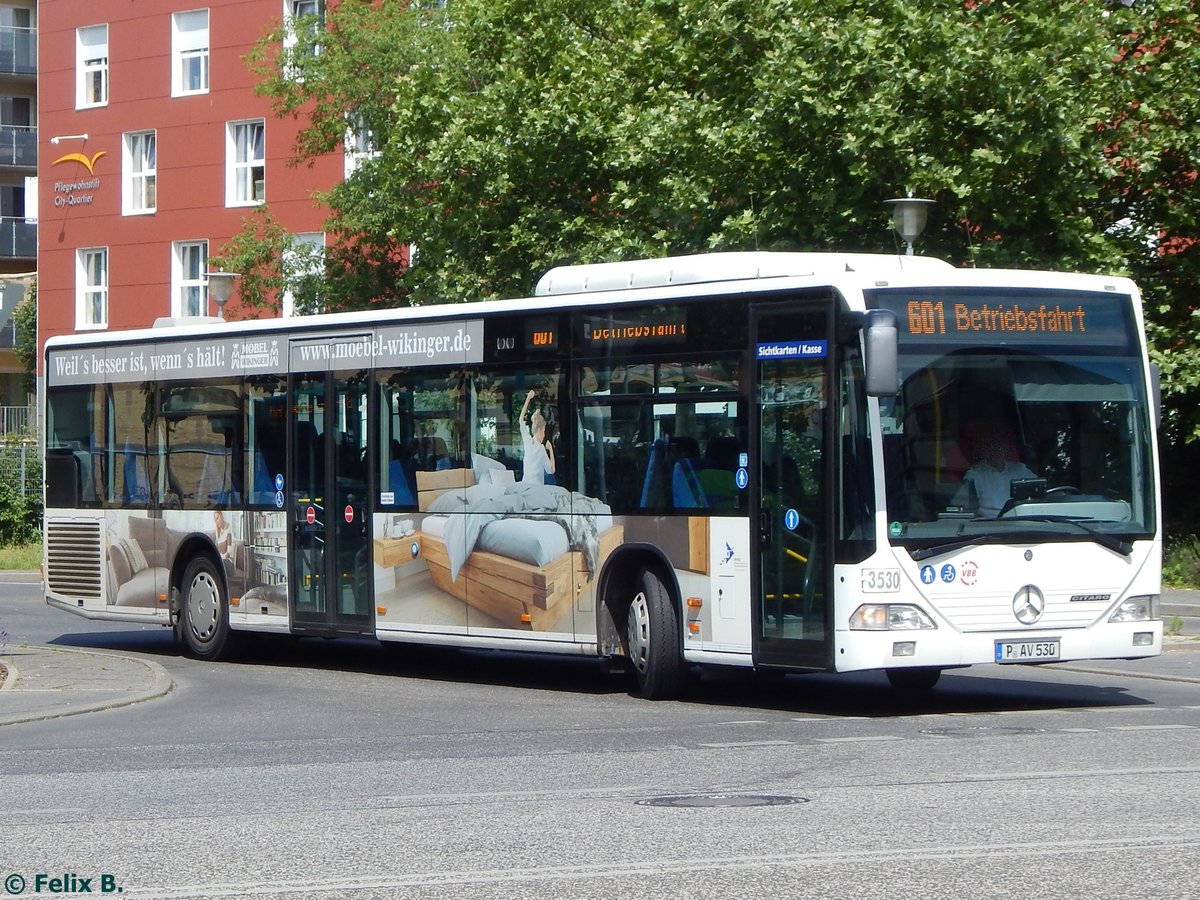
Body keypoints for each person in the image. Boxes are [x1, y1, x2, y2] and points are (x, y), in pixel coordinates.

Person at [954, 424, 1035, 517]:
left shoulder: (1020, 469)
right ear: (984, 449)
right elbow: (962, 507)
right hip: (990, 527)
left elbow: (1039, 491)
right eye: (993, 445)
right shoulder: (974, 475)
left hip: (1022, 524)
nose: (997, 450)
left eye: (1000, 445)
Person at [519, 388, 556, 485]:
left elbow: (521, 420)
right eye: (544, 431)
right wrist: (551, 449)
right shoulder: (541, 449)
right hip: (536, 490)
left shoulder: (527, 442)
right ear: (540, 430)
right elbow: (551, 470)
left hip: (524, 486)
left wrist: (528, 398)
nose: (544, 434)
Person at [213, 510, 236, 579]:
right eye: (215, 520)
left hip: (229, 562)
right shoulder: (219, 533)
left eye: (217, 518)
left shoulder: (229, 530)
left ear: (222, 516)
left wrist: (220, 558)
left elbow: (228, 553)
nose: (216, 522)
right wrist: (217, 533)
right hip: (222, 561)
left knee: (220, 563)